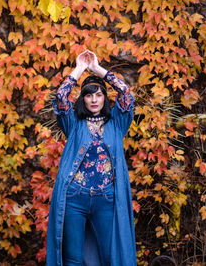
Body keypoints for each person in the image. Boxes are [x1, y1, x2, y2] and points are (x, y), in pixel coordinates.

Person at [46, 50, 137, 266]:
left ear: (105, 97)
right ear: (83, 98)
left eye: (98, 94)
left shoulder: (117, 122)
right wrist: (79, 69)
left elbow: (126, 94)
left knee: (110, 257)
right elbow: (60, 97)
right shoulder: (73, 123)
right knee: (73, 259)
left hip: (106, 199)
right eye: (88, 94)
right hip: (74, 198)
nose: (94, 99)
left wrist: (97, 69)